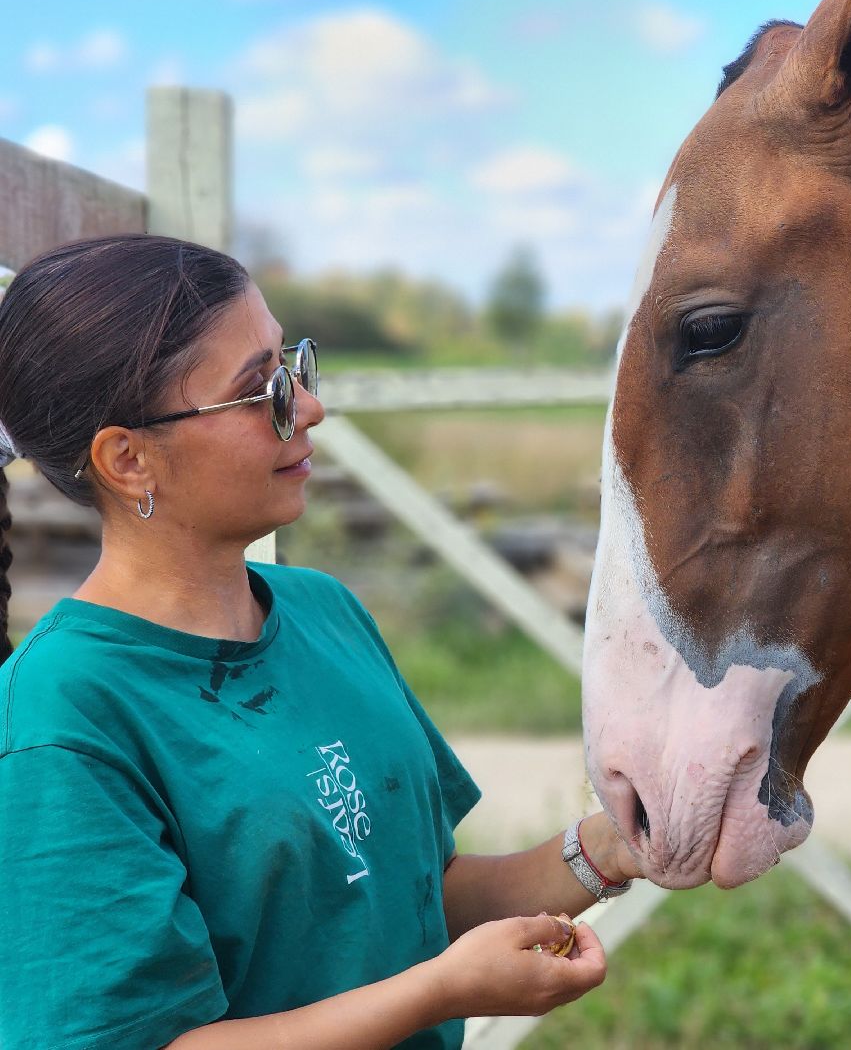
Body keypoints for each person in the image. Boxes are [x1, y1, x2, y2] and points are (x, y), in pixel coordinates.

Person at [0, 235, 640, 1049]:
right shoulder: (63, 717)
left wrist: (611, 847)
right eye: (261, 391)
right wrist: (439, 991)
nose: (308, 408)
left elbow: (407, 900)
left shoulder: (324, 611)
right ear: (128, 460)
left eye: (294, 366)